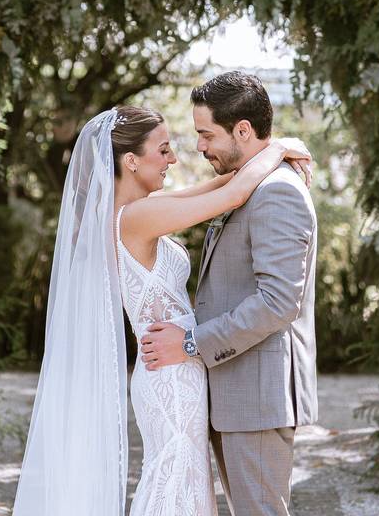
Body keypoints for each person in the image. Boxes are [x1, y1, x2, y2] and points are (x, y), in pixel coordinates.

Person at [12, 101, 311, 515]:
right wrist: (279, 150)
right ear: (131, 160)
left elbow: (218, 185)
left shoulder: (127, 213)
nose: (173, 157)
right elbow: (234, 193)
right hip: (170, 374)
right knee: (174, 479)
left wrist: (269, 151)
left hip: (170, 368)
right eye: (164, 148)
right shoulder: (136, 217)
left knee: (178, 477)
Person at [140, 71, 319, 516]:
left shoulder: (277, 192)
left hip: (257, 397)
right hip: (236, 393)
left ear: (242, 129)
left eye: (206, 134)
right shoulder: (248, 184)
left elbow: (277, 302)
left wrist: (188, 344)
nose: (199, 146)